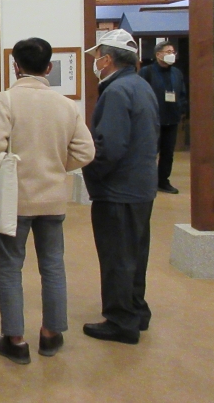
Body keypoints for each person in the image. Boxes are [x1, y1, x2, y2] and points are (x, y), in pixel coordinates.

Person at [0, 38, 95, 364]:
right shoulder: (66, 105)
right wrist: (57, 166)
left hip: (14, 200)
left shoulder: (6, 100)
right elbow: (86, 151)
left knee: (10, 267)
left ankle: (15, 340)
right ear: (49, 67)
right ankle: (50, 334)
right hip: (53, 198)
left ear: (15, 66)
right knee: (53, 265)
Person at [82, 29, 159, 345]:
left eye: (98, 56)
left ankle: (121, 321)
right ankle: (136, 309)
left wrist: (92, 173)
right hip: (140, 186)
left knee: (117, 257)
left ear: (107, 59)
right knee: (135, 254)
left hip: (118, 190)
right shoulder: (140, 86)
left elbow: (109, 147)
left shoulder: (116, 91)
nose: (96, 62)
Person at [139, 41, 187, 194]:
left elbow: (182, 94)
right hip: (152, 120)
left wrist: (181, 110)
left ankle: (163, 181)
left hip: (172, 119)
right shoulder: (147, 72)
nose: (171, 55)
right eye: (168, 52)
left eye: (173, 52)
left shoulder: (177, 73)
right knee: (150, 152)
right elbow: (141, 94)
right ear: (158, 54)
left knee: (168, 153)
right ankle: (147, 181)